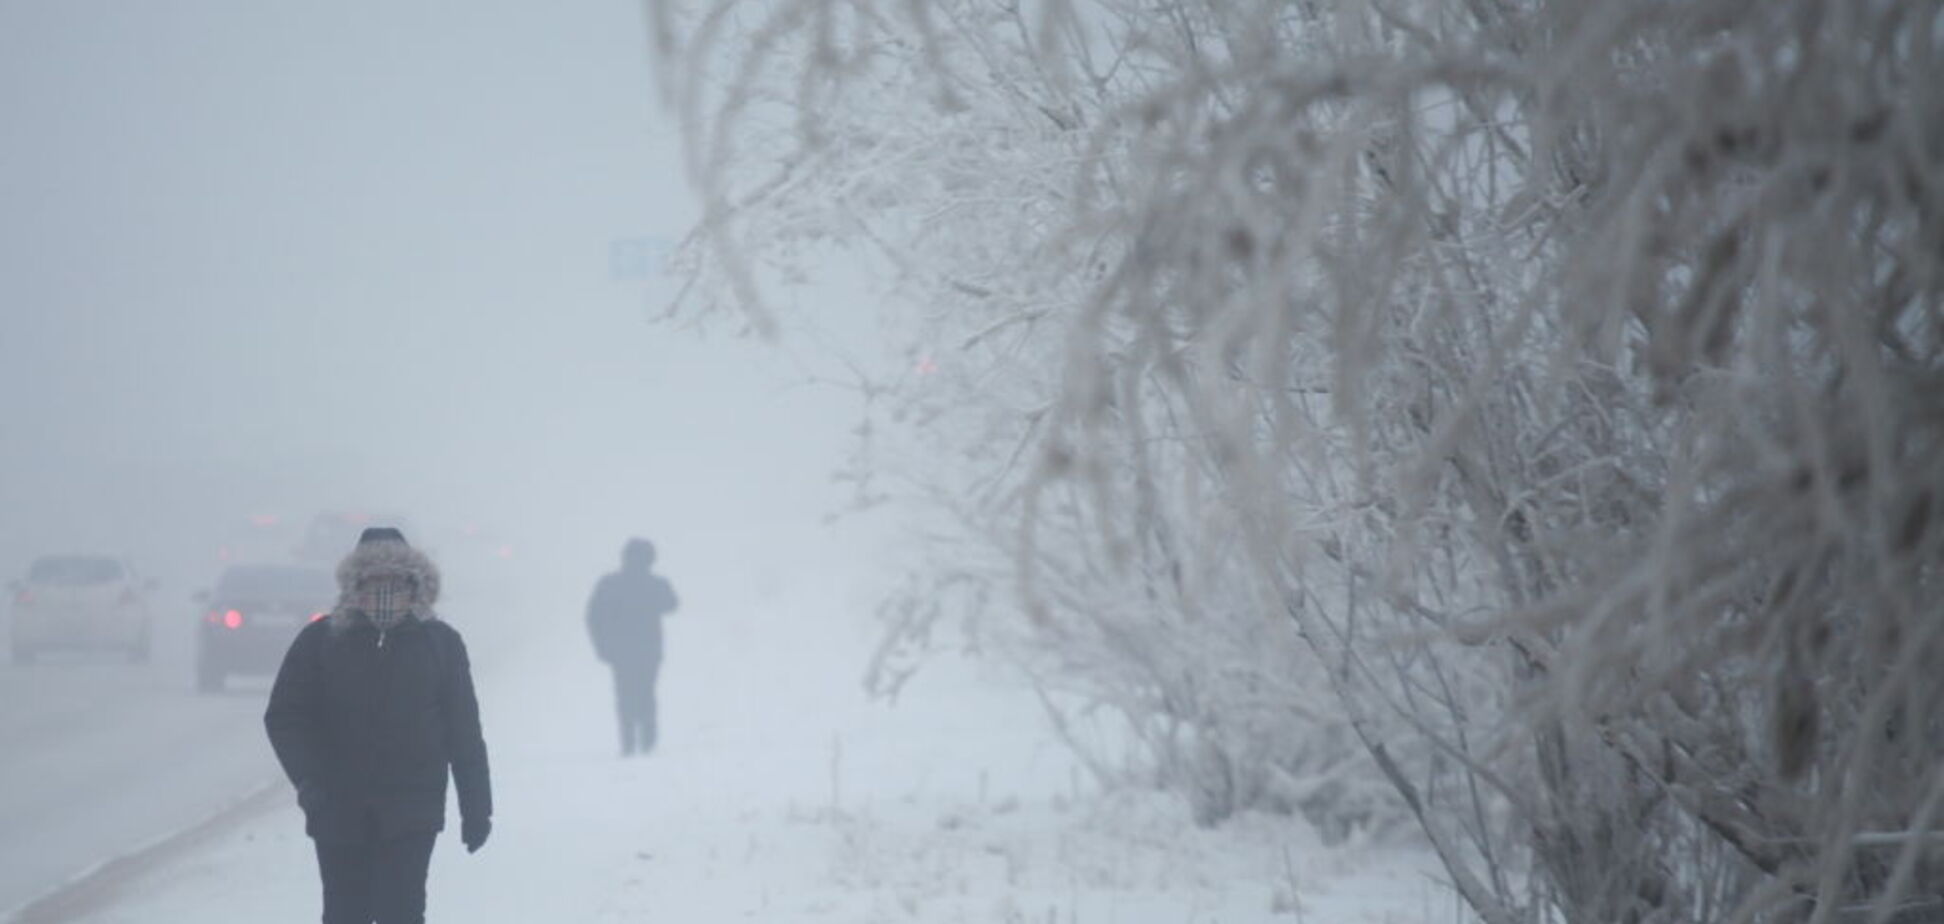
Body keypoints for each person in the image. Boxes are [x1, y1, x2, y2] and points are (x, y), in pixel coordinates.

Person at [265, 527, 492, 924]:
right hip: (337, 809)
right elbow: (285, 716)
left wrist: (477, 809)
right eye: (373, 581)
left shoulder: (439, 643)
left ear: (414, 583)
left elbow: (464, 734)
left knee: (401, 912)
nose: (384, 591)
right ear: (355, 585)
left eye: (395, 581)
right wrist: (310, 780)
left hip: (413, 810)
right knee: (344, 913)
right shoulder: (320, 641)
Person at [586, 537, 679, 756]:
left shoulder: (610, 584)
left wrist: (602, 645)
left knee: (626, 695)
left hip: (623, 652)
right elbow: (672, 604)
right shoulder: (654, 584)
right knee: (645, 693)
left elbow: (593, 617)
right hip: (645, 651)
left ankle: (630, 743)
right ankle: (647, 740)